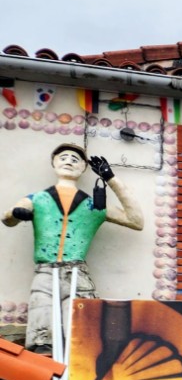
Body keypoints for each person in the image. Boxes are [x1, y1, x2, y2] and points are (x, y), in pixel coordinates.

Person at [3, 143, 142, 353]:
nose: (69, 161)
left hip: (77, 273)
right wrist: (16, 213)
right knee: (42, 334)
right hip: (45, 273)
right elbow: (7, 217)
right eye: (63, 157)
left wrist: (111, 179)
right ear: (54, 162)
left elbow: (136, 220)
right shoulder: (39, 198)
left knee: (80, 337)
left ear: (83, 168)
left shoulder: (93, 205)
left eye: (75, 159)